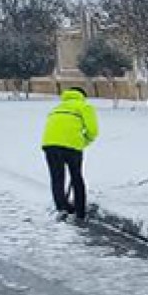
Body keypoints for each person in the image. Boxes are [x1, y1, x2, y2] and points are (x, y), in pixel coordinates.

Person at [40, 87, 100, 222]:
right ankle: (80, 212)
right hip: (72, 146)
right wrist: (83, 142)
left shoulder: (57, 108)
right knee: (76, 177)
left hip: (50, 145)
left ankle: (62, 208)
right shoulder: (85, 106)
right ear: (82, 96)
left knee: (57, 178)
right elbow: (93, 130)